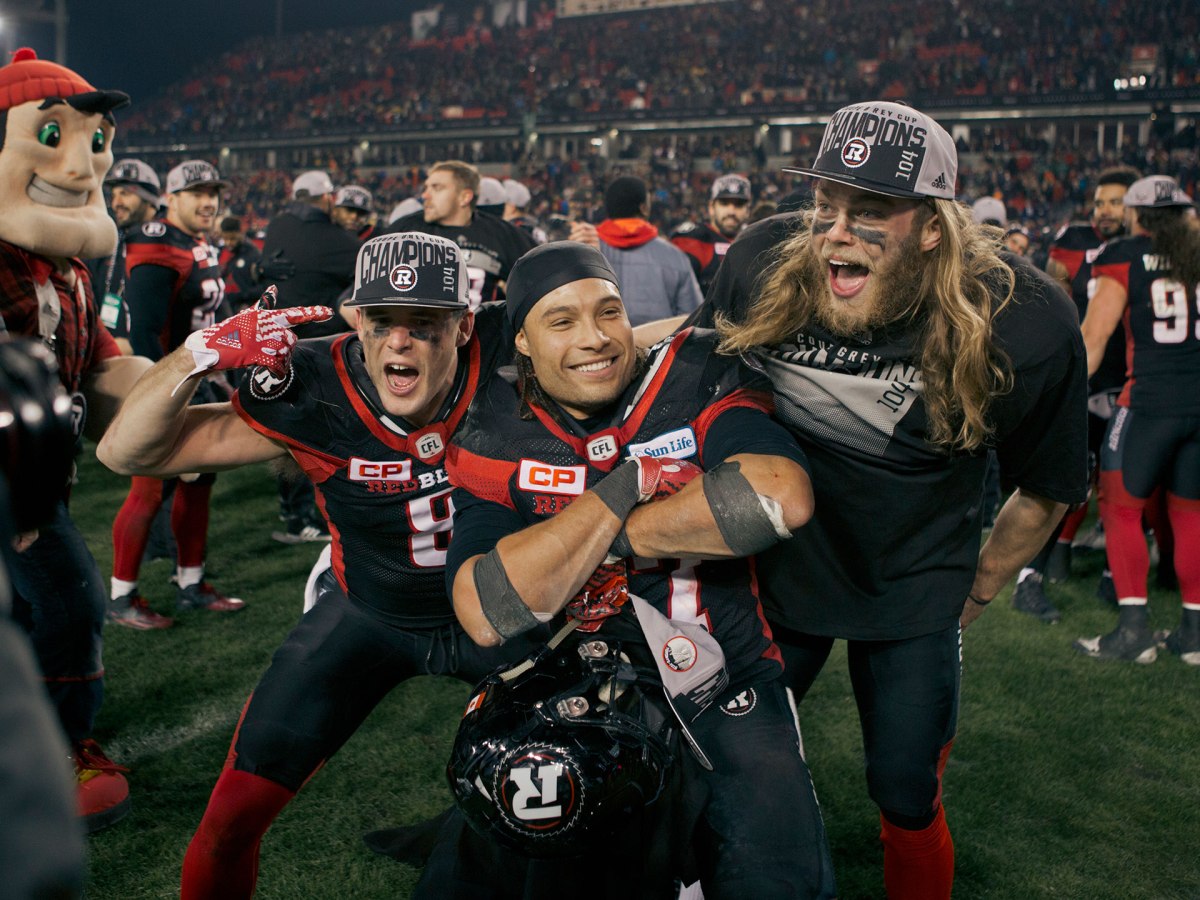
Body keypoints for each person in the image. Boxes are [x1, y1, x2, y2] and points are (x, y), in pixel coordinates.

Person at [673, 100, 1087, 898]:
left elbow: (1049, 484)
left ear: (932, 226)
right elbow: (696, 376)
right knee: (712, 760)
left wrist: (983, 579)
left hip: (911, 584)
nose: (836, 230)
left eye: (871, 211)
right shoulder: (763, 258)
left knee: (904, 789)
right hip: (776, 569)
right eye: (827, 203)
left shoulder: (1022, 320)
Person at [96, 232, 550, 900]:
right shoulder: (315, 386)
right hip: (370, 613)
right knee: (229, 820)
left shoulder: (520, 361)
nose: (401, 342)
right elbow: (123, 453)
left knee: (584, 794)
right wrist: (197, 355)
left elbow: (632, 348)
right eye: (385, 321)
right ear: (356, 320)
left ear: (461, 325)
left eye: (424, 323)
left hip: (506, 616)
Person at [423, 240, 834, 899]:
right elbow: (490, 607)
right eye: (562, 322)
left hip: (719, 680)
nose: (595, 338)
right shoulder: (492, 424)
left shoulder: (697, 375)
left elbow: (775, 496)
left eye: (608, 312)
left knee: (778, 876)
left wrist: (604, 538)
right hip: (567, 688)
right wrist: (625, 489)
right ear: (521, 341)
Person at [0, 46, 152, 832]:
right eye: (52, 136)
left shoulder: (69, 268)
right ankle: (61, 747)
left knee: (30, 612)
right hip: (9, 477)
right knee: (68, 598)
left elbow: (99, 365)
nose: (83, 164)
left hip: (37, 473)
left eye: (96, 142)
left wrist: (183, 380)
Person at [108, 159, 244, 630]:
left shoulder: (195, 242)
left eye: (214, 193)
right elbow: (144, 330)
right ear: (173, 197)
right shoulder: (156, 241)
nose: (209, 202)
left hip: (197, 380)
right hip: (165, 384)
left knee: (199, 480)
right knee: (151, 486)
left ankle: (191, 583)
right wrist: (162, 392)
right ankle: (122, 595)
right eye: (198, 193)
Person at [1074, 175, 1200, 664]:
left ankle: (1133, 631)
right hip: (1197, 406)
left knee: (1120, 508)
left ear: (1136, 214)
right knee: (1190, 515)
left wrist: (1065, 395)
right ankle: (1193, 634)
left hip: (1147, 404)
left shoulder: (1124, 256)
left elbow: (1093, 335)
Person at [1021, 166, 1143, 613]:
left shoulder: (1142, 251)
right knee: (1064, 477)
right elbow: (1050, 299)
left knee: (1114, 479)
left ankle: (1080, 561)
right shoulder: (1073, 239)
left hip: (1124, 377)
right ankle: (1028, 574)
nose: (1104, 210)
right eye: (1099, 202)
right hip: (1079, 372)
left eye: (1115, 201)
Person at [382, 160, 537, 307]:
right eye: (426, 188)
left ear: (465, 197)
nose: (425, 195)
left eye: (436, 188)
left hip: (480, 333)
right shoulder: (403, 230)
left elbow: (540, 287)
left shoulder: (503, 235)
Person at [261, 169, 359, 338]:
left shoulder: (275, 226)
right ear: (326, 198)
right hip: (320, 342)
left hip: (275, 337)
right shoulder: (336, 238)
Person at [596, 175, 703, 326]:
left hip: (603, 347)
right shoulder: (675, 256)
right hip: (658, 347)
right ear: (644, 208)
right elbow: (693, 321)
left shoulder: (588, 252)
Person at [88, 157, 161, 352]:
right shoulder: (110, 245)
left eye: (125, 194)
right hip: (110, 358)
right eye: (113, 195)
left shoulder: (170, 249)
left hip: (154, 365)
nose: (116, 203)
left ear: (149, 200)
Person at [671, 173, 753, 295]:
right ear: (711, 207)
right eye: (724, 203)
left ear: (747, 210)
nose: (731, 211)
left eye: (739, 205)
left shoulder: (755, 241)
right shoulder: (693, 240)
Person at [217, 215, 266, 311]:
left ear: (241, 233)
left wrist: (241, 296)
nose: (228, 243)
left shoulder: (253, 254)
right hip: (225, 309)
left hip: (246, 310)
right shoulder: (221, 251)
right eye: (225, 239)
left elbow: (263, 287)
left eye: (232, 238)